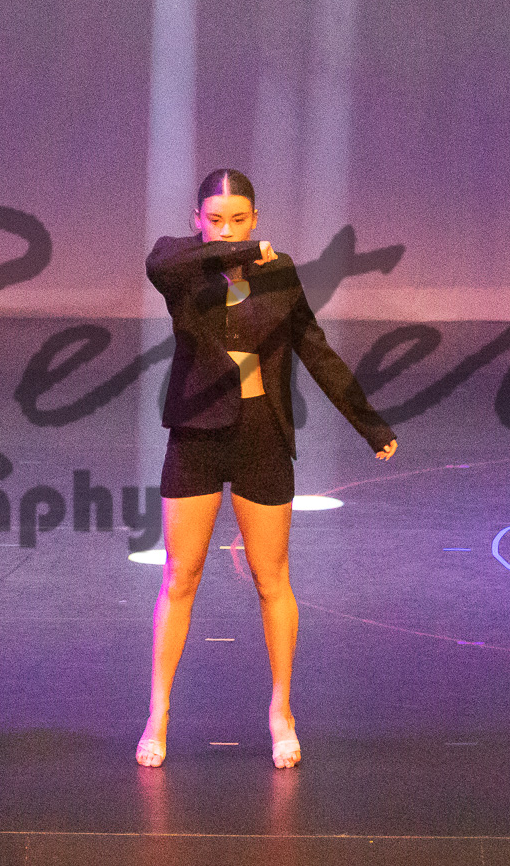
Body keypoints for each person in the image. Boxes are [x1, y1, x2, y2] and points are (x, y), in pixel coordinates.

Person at [137, 168, 398, 770]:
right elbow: (162, 260)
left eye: (239, 219)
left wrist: (369, 423)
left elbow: (316, 350)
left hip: (262, 434)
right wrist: (236, 251)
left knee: (271, 577)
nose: (227, 228)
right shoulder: (181, 268)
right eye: (215, 219)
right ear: (198, 221)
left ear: (255, 218)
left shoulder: (279, 274)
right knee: (180, 576)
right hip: (196, 435)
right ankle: (158, 712)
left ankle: (282, 710)